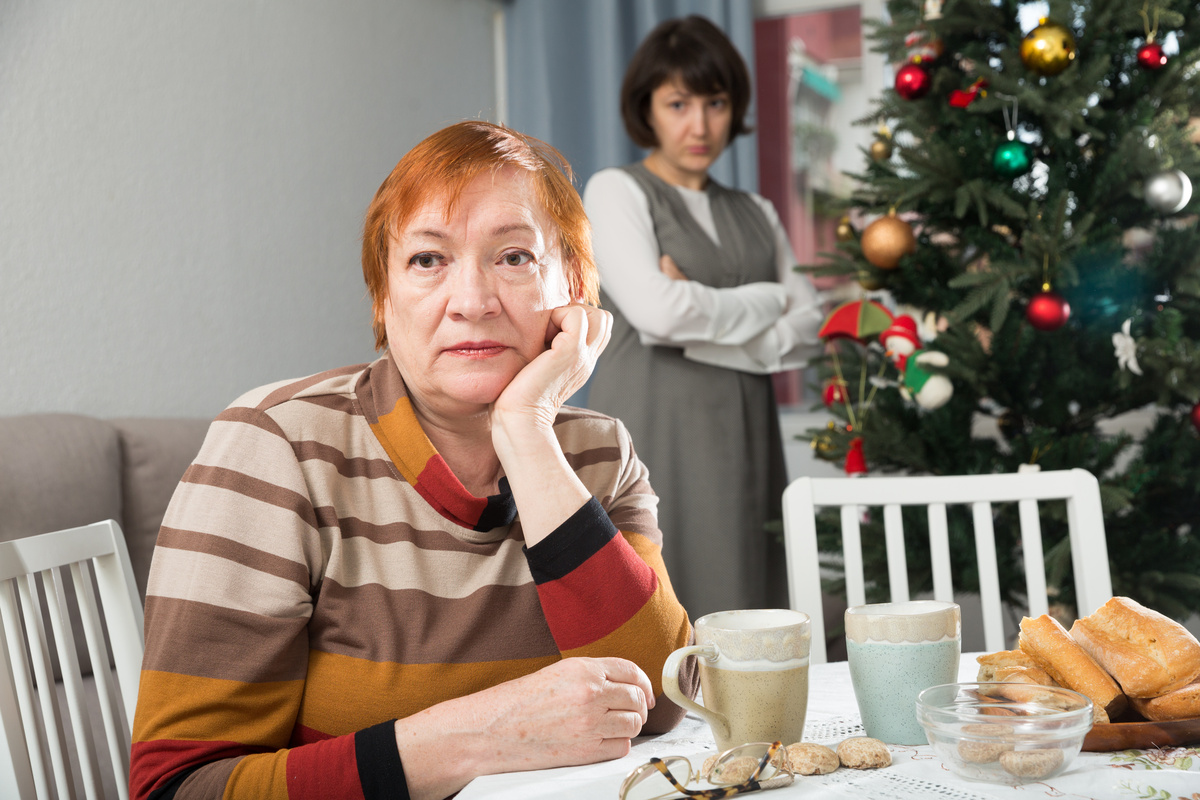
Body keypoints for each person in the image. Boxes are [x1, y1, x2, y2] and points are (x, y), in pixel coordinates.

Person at [129, 121, 695, 800]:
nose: (473, 302)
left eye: (514, 257)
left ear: (572, 286)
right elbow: (177, 788)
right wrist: (480, 737)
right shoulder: (276, 448)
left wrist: (525, 430)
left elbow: (660, 698)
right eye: (428, 260)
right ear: (382, 296)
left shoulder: (599, 452)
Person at [584, 15, 824, 618]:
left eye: (715, 103)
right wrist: (768, 300)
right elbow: (657, 313)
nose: (699, 125)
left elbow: (813, 325)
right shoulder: (616, 191)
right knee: (657, 609)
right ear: (648, 109)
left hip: (748, 442)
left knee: (751, 611)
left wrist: (704, 320)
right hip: (653, 433)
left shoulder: (757, 211)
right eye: (678, 103)